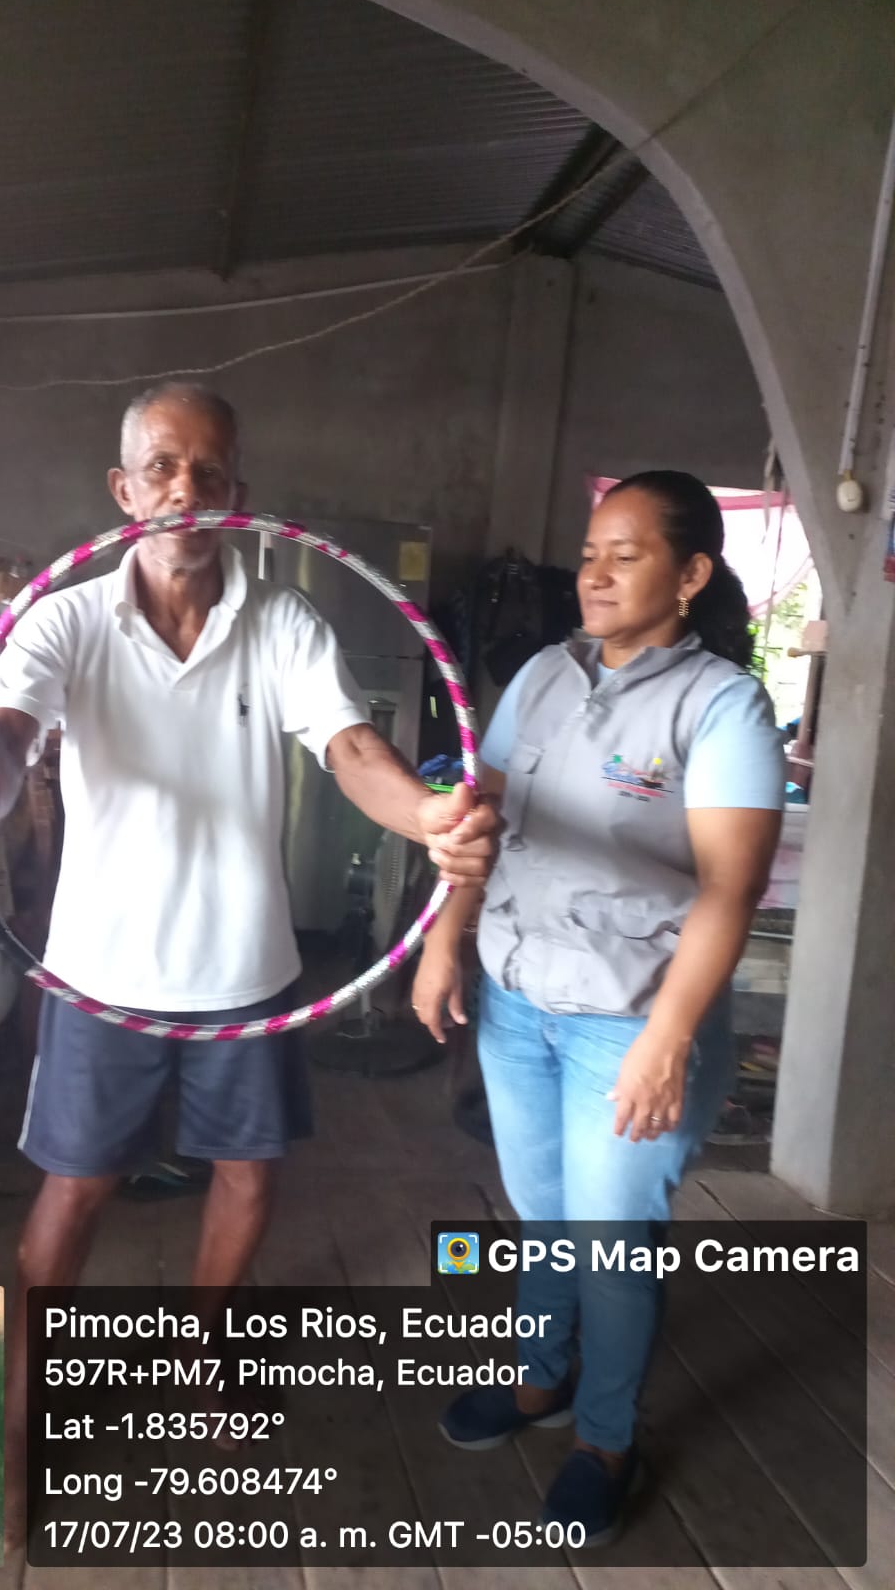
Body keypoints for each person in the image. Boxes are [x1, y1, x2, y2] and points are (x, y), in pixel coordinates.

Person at [0, 380, 498, 1545]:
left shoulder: (283, 623)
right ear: (123, 490)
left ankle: (203, 1354)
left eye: (209, 472)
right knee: (75, 1188)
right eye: (162, 469)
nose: (186, 490)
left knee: (250, 1180)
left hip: (247, 968)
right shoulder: (65, 620)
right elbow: (7, 736)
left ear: (238, 496)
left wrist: (429, 815)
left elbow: (353, 750)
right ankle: (19, 1406)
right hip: (102, 971)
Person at [412, 470, 784, 1547]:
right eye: (589, 554)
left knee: (613, 1242)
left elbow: (732, 889)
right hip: (518, 1004)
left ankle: (606, 1441)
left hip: (631, 1022)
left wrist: (668, 1037)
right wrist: (443, 942)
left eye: (628, 554)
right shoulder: (541, 674)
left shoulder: (721, 704)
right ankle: (543, 1378)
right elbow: (477, 824)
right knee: (544, 1217)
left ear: (691, 573)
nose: (596, 574)